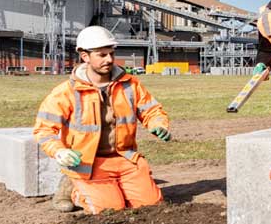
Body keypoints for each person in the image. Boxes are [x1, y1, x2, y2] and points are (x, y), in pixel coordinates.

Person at [32, 26, 173, 213]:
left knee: (151, 205)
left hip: (124, 157)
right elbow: (44, 130)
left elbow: (151, 110)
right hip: (89, 163)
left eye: (111, 54)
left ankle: (115, 187)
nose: (109, 59)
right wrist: (59, 152)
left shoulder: (130, 84)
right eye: (102, 55)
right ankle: (74, 189)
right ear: (85, 56)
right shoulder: (66, 92)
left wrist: (158, 124)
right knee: (110, 209)